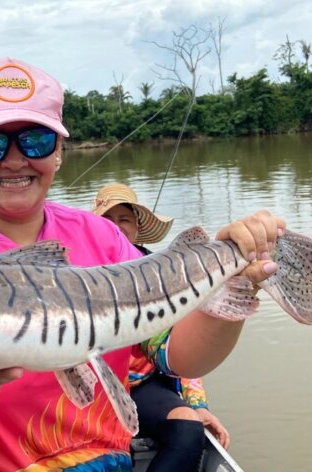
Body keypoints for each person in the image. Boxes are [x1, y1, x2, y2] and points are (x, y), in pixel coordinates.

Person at [0, 56, 285, 472]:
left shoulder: (104, 238)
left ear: (58, 149)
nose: (15, 159)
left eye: (35, 140)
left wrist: (234, 288)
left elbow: (177, 356)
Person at [93, 183, 230, 471]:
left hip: (142, 385)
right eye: (106, 220)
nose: (116, 227)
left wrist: (198, 405)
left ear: (137, 226)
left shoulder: (162, 273)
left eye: (124, 219)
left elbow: (175, 343)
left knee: (188, 428)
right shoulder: (81, 272)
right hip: (94, 387)